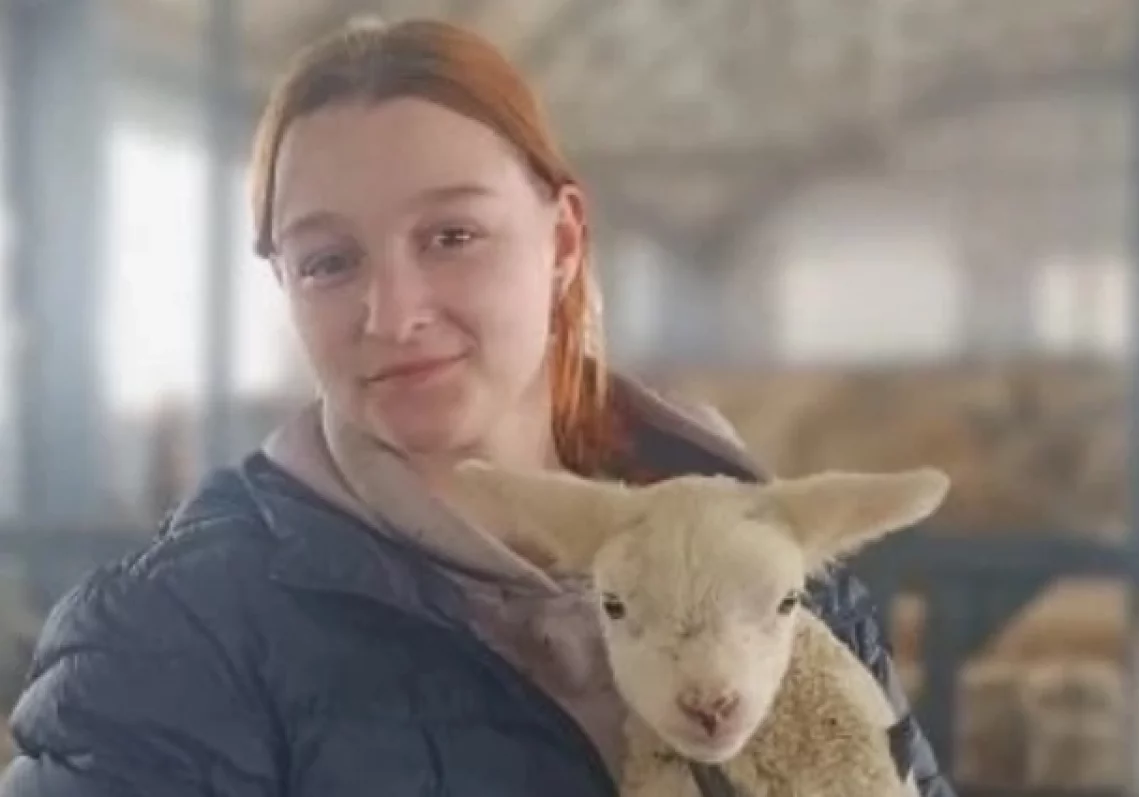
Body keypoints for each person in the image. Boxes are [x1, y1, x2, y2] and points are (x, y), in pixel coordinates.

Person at [0, 18, 955, 797]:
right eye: (328, 261)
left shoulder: (777, 562)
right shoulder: (172, 636)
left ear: (564, 241)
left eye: (452, 235)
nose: (393, 315)